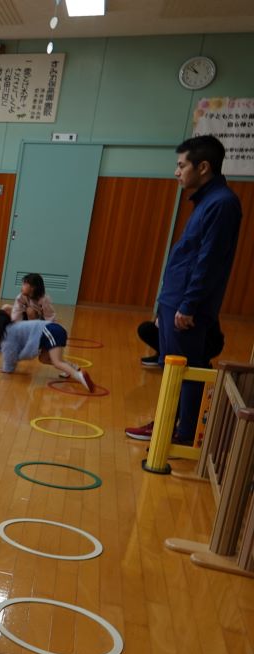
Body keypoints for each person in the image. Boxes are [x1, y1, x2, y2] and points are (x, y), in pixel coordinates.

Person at [127, 135, 243, 443]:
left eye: (181, 165)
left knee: (186, 370)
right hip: (175, 301)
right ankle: (168, 421)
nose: (177, 172)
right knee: (172, 367)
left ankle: (184, 432)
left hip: (186, 306)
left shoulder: (222, 204)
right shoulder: (207, 201)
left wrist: (189, 305)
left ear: (203, 167)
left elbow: (209, 262)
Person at [0, 310, 95, 392]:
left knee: (57, 361)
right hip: (50, 330)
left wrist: (7, 369)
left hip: (50, 331)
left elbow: (10, 354)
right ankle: (72, 368)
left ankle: (79, 376)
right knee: (44, 359)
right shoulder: (9, 330)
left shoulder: (8, 335)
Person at [137, 318, 224, 369]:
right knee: (146, 329)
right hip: (182, 333)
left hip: (205, 341)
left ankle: (201, 364)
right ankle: (164, 355)